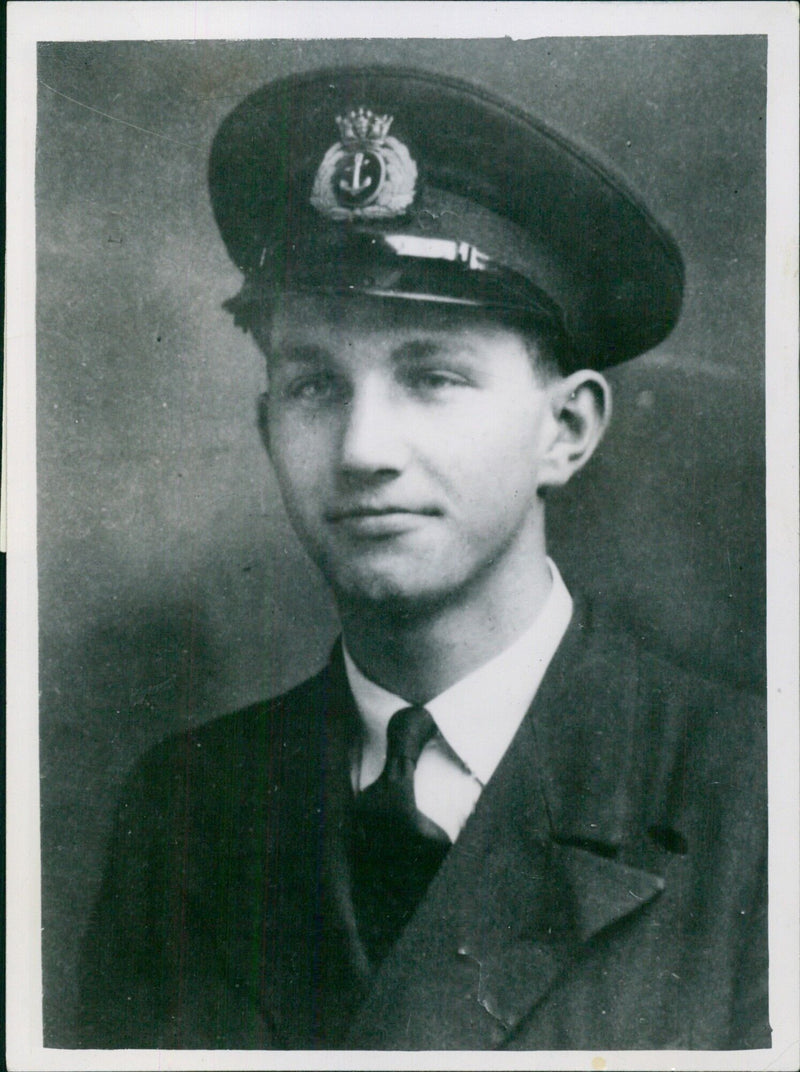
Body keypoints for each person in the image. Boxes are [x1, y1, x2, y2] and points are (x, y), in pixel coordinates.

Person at [77, 65, 769, 1051]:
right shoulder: (181, 810)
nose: (363, 450)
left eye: (431, 377)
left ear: (565, 429)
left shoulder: (750, 794)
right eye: (314, 385)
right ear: (265, 422)